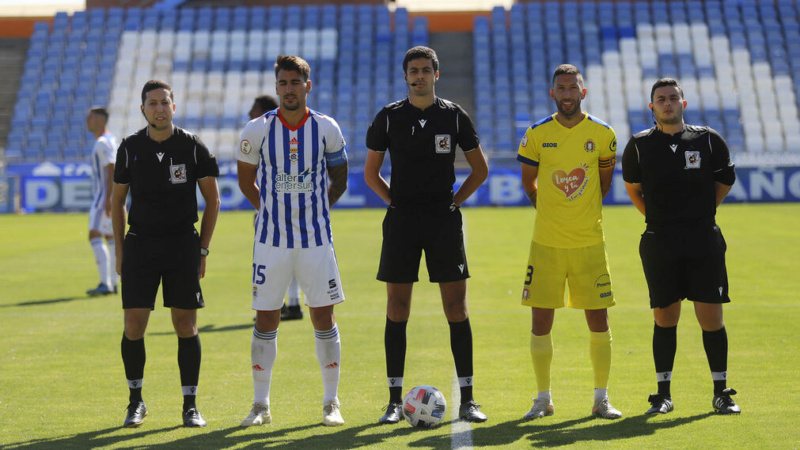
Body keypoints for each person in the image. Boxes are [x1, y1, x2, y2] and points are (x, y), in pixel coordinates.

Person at [365, 45, 489, 424]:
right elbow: (371, 174)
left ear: (437, 75)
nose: (419, 76)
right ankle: (393, 401)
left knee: (456, 308)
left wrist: (454, 202)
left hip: (442, 221)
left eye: (425, 70)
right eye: (413, 71)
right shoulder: (388, 117)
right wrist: (395, 202)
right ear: (405, 76)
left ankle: (468, 399)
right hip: (402, 221)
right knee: (397, 308)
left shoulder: (453, 117)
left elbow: (479, 170)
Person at [237, 55, 349, 427]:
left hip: (316, 239)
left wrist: (316, 210)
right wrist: (270, 211)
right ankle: (260, 405)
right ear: (277, 87)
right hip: (271, 241)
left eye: (295, 82)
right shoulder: (257, 129)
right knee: (266, 317)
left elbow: (340, 180)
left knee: (323, 315)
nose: (289, 89)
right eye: (283, 83)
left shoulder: (326, 128)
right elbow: (245, 181)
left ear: (307, 85)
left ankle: (331, 402)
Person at [622, 78, 740, 415]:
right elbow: (634, 190)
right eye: (661, 99)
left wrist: (703, 214)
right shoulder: (640, 145)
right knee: (665, 318)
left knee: (711, 319)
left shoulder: (708, 140)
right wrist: (661, 220)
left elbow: (724, 181)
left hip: (704, 240)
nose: (668, 103)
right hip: (660, 242)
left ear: (684, 103)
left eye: (674, 97)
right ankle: (663, 394)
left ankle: (721, 392)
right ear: (652, 107)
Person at [110, 80, 220, 428]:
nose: (159, 108)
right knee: (133, 326)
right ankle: (135, 402)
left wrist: (202, 248)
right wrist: (120, 250)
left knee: (185, 326)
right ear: (143, 109)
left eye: (165, 102)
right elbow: (117, 202)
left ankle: (190, 405)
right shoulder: (129, 148)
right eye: (152, 103)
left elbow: (213, 200)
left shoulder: (193, 146)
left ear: (174, 107)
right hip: (141, 245)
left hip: (182, 245)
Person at [517, 64, 622, 421]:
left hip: (589, 243)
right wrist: (550, 212)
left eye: (572, 87)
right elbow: (528, 183)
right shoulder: (535, 134)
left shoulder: (603, 133)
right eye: (561, 88)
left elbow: (604, 183)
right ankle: (543, 398)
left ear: (583, 92)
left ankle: (601, 398)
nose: (566, 93)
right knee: (540, 322)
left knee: (599, 320)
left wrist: (582, 212)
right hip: (545, 244)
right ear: (552, 93)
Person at [248, 94, 303, 321]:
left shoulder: (270, 135)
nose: (250, 112)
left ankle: (286, 304)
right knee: (286, 257)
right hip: (275, 205)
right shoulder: (264, 133)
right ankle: (290, 304)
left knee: (277, 257)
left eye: (254, 108)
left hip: (277, 206)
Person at [85, 107, 119, 296]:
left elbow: (112, 169)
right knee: (111, 238)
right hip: (110, 195)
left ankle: (105, 284)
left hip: (103, 196)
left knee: (94, 235)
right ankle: (113, 283)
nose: (87, 121)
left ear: (99, 120)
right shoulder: (110, 139)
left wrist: (108, 199)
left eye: (90, 117)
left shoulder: (102, 143)